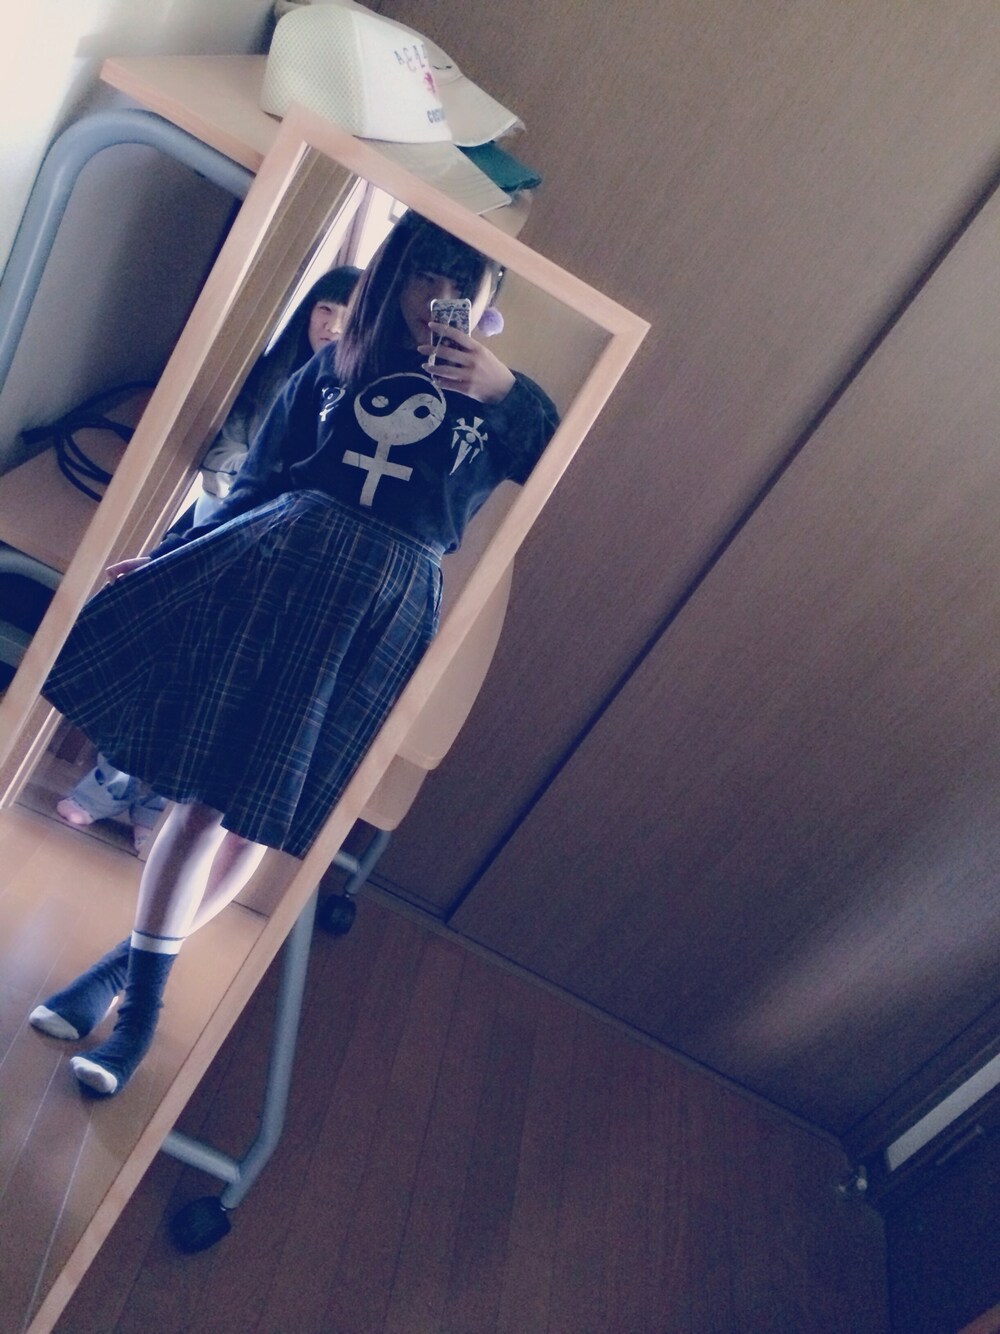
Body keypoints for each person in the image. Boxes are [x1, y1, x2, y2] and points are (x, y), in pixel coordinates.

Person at [29, 212, 558, 1097]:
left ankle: (119, 974)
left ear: (487, 294)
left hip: (380, 610)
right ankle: (141, 1016)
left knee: (262, 815)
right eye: (425, 274)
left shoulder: (501, 400)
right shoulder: (334, 365)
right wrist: (169, 553)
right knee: (204, 802)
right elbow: (258, 480)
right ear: (393, 275)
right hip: (279, 571)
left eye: (461, 282)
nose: (440, 297)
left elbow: (551, 461)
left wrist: (505, 390)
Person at [53, 266, 363, 849]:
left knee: (214, 690)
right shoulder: (269, 376)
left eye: (348, 317)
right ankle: (104, 789)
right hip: (218, 532)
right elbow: (224, 460)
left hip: (282, 559)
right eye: (326, 309)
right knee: (169, 664)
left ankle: (153, 809)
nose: (332, 325)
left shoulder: (353, 398)